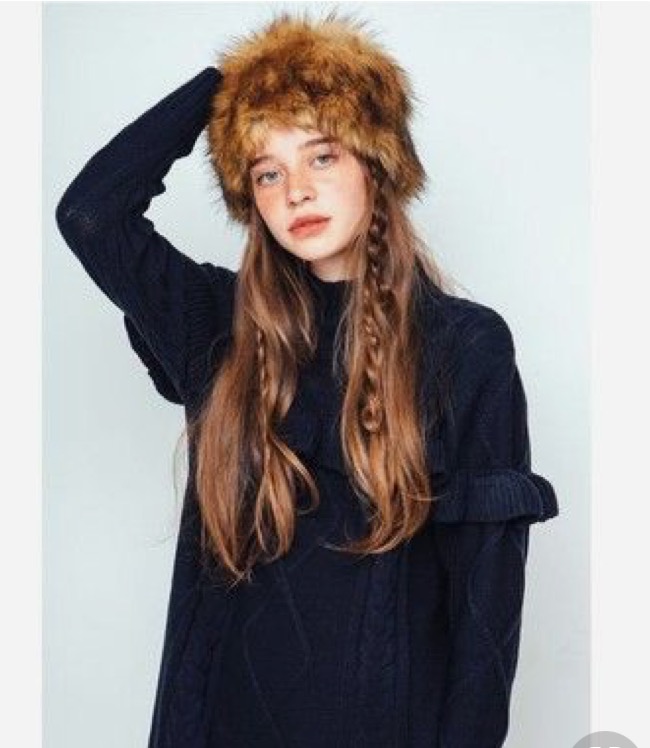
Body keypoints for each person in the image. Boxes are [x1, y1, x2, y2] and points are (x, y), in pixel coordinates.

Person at [55, 9, 559, 748]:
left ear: (376, 164)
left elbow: (485, 610)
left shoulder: (465, 345)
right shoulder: (217, 324)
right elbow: (92, 215)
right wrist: (229, 87)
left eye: (322, 155)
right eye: (267, 171)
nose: (295, 190)